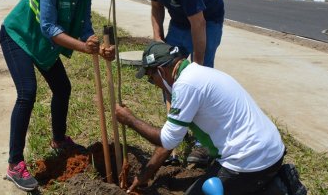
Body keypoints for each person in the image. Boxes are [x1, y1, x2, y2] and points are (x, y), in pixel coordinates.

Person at [0, 0, 115, 191]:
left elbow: (84, 26)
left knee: (62, 88)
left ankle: (59, 140)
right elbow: (49, 27)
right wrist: (83, 47)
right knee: (27, 93)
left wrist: (96, 43)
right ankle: (15, 164)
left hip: (42, 43)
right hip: (18, 36)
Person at [115, 41, 286, 195]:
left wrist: (130, 120)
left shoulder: (186, 85)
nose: (155, 85)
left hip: (250, 162)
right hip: (271, 151)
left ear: (160, 71)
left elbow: (167, 141)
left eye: (151, 79)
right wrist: (144, 176)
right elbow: (171, 140)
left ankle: (272, 189)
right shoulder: (199, 74)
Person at [127, 0, 225, 164]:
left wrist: (196, 70)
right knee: (166, 73)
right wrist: (157, 39)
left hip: (207, 20)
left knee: (202, 81)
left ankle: (203, 145)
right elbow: (156, 7)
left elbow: (198, 23)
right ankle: (175, 131)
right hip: (180, 22)